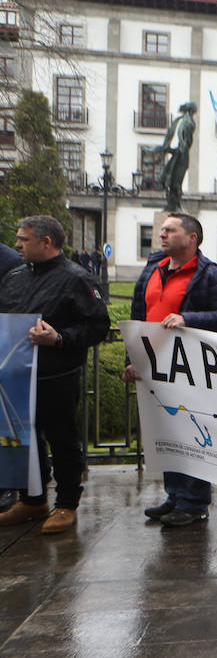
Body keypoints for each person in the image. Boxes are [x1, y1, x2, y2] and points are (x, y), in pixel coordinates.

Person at [125, 213, 217, 527]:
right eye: (161, 230)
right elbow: (137, 317)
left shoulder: (209, 274)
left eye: (170, 230)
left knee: (191, 432)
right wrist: (130, 359)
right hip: (154, 367)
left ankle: (194, 502)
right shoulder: (153, 270)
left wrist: (188, 319)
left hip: (189, 369)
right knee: (167, 433)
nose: (162, 234)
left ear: (192, 238)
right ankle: (175, 495)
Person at [0, 216, 108, 534]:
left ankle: (66, 504)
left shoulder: (76, 278)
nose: (17, 244)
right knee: (23, 438)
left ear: (46, 242)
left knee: (62, 440)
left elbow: (98, 326)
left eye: (23, 239)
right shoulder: (15, 276)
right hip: (15, 376)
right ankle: (32, 500)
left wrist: (58, 338)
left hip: (56, 374)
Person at [158, 101, 196, 210]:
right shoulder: (187, 122)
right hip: (181, 154)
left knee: (175, 179)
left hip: (180, 153)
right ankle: (173, 203)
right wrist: (183, 145)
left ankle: (174, 202)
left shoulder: (180, 121)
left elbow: (180, 135)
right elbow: (182, 135)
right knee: (176, 179)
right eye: (193, 112)